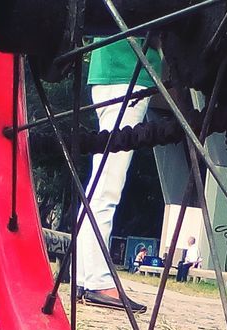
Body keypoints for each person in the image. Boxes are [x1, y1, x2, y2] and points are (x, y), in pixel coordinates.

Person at [71, 39, 162, 313]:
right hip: (127, 72)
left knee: (101, 183)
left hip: (117, 72)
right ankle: (98, 281)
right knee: (107, 185)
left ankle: (85, 276)